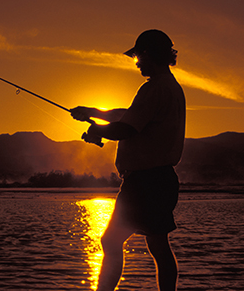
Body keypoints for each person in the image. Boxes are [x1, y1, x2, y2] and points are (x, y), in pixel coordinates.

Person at [70, 29, 185, 291]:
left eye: (137, 56)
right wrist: (94, 113)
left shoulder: (154, 88)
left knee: (112, 242)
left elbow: (127, 129)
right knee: (157, 245)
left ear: (147, 54)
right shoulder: (170, 87)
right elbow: (130, 115)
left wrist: (96, 129)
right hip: (157, 180)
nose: (136, 62)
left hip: (146, 182)